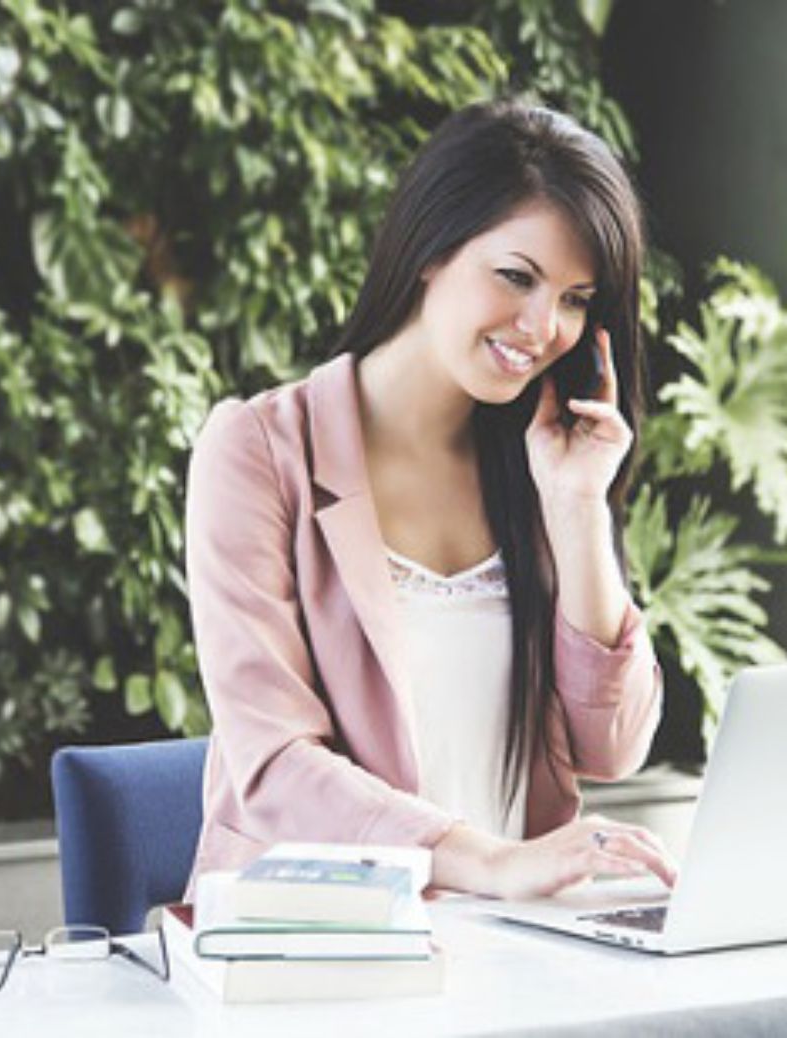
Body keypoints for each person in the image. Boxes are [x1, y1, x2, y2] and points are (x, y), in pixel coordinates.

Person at [183, 100, 678, 900]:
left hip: (520, 953)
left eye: (577, 298)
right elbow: (272, 764)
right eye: (516, 277)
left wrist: (579, 511)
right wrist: (488, 862)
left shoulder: (541, 463)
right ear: (428, 252)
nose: (544, 326)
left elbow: (612, 747)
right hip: (321, 945)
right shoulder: (259, 450)